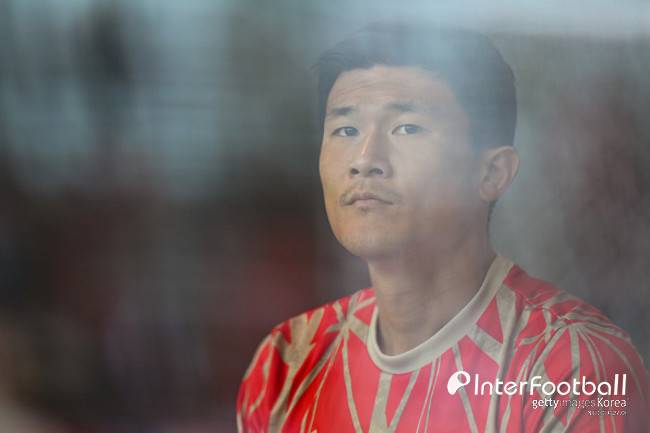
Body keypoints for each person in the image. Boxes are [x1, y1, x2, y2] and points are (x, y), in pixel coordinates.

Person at [236, 22, 649, 433]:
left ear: (492, 173)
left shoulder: (574, 366)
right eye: (346, 130)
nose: (364, 159)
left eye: (407, 128)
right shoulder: (287, 364)